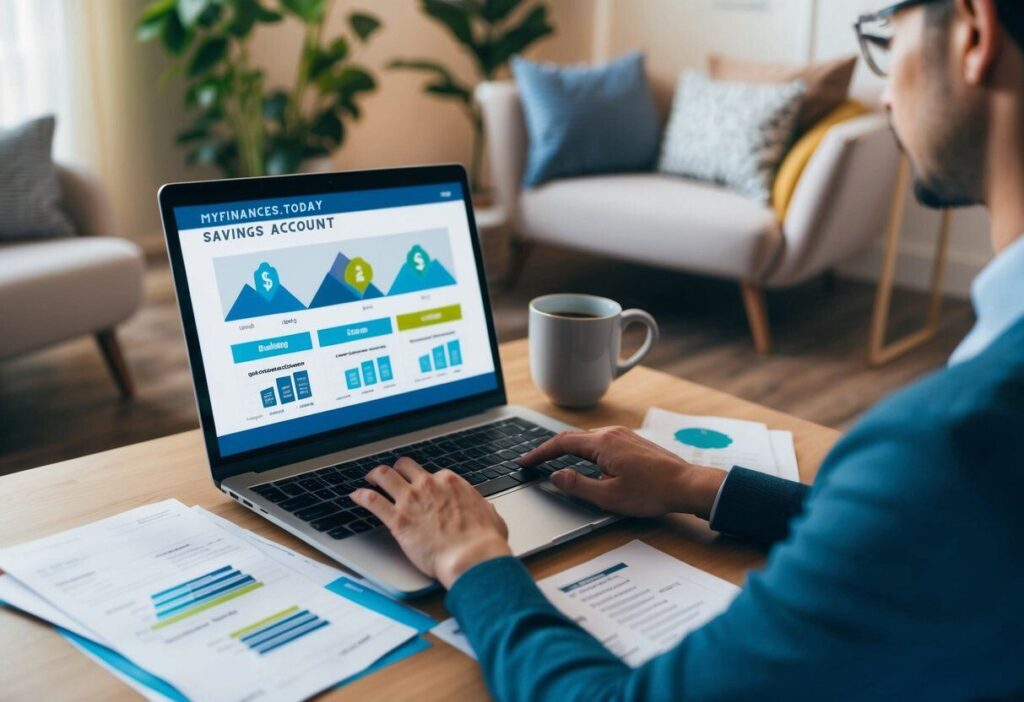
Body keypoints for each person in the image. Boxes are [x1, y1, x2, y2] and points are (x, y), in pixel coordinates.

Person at [350, 0, 1024, 698]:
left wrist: (471, 557)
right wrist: (695, 485)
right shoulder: (965, 460)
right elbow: (924, 540)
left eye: (886, 39)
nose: (883, 91)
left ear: (974, 33)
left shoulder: (950, 445)